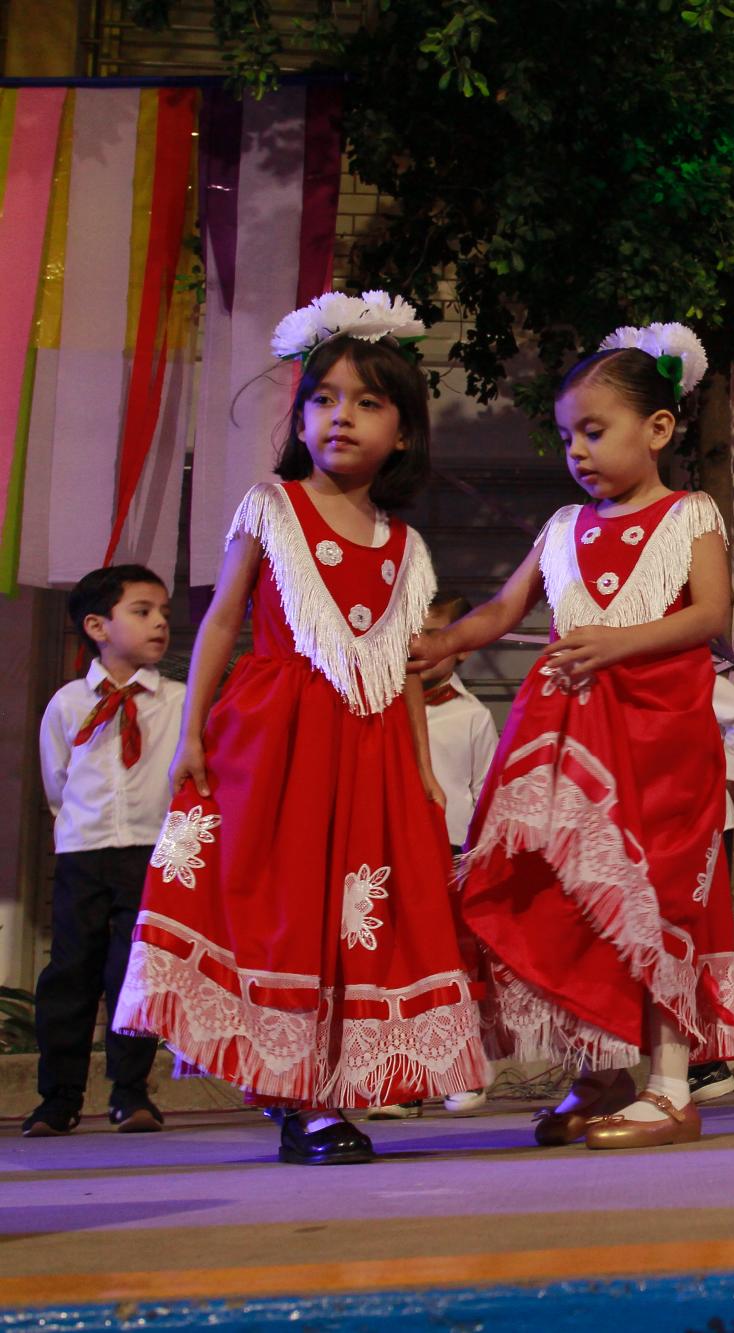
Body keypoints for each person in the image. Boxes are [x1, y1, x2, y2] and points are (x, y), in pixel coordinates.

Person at [113, 292, 486, 1165]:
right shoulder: (272, 506)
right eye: (323, 398)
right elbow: (220, 621)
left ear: (403, 430)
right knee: (281, 906)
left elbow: (393, 663)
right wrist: (191, 729)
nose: (341, 417)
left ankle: (340, 1085)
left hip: (369, 750)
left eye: (366, 401)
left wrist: (423, 767)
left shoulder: (404, 544)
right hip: (277, 741)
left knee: (353, 917)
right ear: (302, 416)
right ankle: (299, 1098)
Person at [414, 322, 734, 1151]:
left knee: (664, 897)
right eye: (569, 435)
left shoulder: (691, 514)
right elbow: (503, 609)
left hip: (660, 735)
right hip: (567, 734)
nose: (578, 450)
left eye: (595, 430)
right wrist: (440, 643)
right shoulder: (563, 525)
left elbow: (711, 616)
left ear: (661, 429)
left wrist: (615, 642)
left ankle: (672, 1087)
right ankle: (600, 1071)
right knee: (566, 894)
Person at [24, 566, 183, 1137]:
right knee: (70, 973)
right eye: (142, 611)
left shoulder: (179, 702)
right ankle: (58, 1098)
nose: (160, 623)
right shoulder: (68, 704)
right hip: (83, 853)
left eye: (163, 612)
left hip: (151, 854)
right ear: (97, 626)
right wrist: (78, 834)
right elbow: (56, 783)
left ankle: (130, 1093)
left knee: (132, 976)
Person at [370, 590, 500, 1120]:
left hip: (451, 850)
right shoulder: (378, 708)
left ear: (461, 645)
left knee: (455, 962)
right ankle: (399, 1079)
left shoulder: (473, 716)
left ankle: (461, 1068)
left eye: (432, 633)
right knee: (395, 962)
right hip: (392, 850)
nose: (418, 645)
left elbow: (486, 791)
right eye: (410, 633)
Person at [686, 667, 734, 1105]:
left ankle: (708, 1059)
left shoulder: (683, 668)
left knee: (699, 938)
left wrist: (727, 773)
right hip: (655, 819)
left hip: (702, 818)